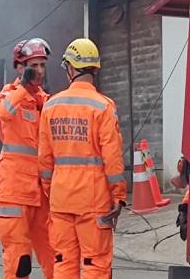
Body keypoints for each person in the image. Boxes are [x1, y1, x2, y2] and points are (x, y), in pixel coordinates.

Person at [38, 38, 127, 278]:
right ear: (95, 69)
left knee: (64, 261)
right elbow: (113, 159)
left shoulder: (50, 106)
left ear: (70, 68)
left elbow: (44, 160)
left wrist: (50, 190)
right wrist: (118, 195)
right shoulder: (103, 107)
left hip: (61, 198)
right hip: (94, 200)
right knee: (95, 263)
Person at [0, 38, 55, 278]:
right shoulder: (9, 95)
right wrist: (24, 89)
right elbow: (5, 112)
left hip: (42, 192)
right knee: (19, 261)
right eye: (34, 66)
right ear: (20, 68)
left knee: (54, 254)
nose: (39, 71)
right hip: (15, 189)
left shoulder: (46, 101)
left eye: (42, 65)